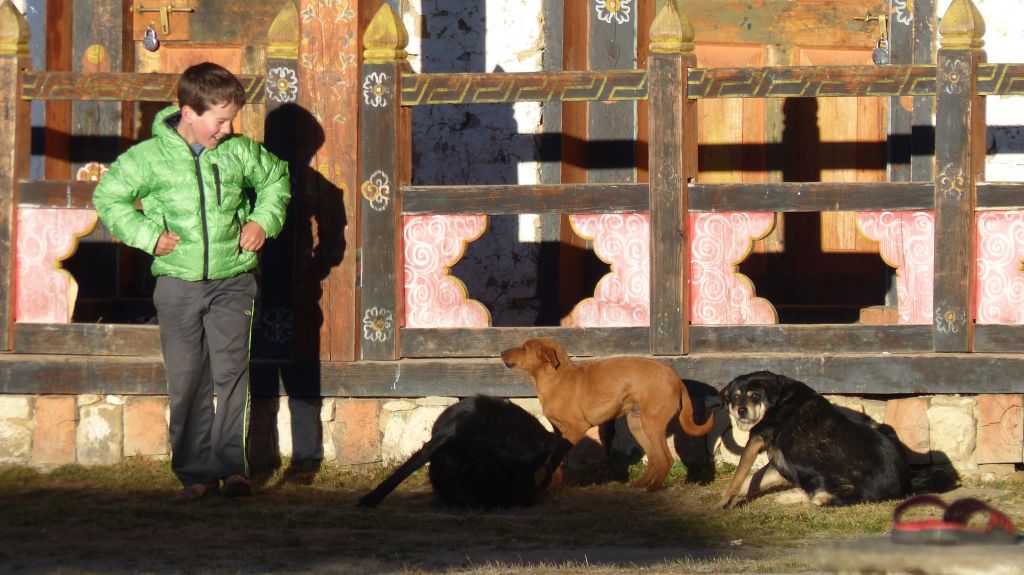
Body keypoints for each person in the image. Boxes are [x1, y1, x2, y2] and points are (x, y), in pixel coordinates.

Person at [93, 62, 291, 502]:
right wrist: (146, 236)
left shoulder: (239, 152)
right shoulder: (148, 158)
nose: (227, 128)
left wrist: (262, 220)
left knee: (231, 374)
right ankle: (194, 475)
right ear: (188, 113)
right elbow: (109, 196)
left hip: (234, 280)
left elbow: (276, 180)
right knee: (186, 379)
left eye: (231, 119)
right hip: (178, 285)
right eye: (219, 120)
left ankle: (234, 470)